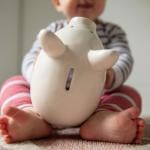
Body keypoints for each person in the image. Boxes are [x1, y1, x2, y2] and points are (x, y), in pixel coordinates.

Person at [0, 0, 145, 144]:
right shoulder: (54, 28)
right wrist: (37, 75)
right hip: (45, 104)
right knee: (13, 82)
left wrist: (112, 74)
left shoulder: (112, 31)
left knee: (129, 92)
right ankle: (31, 117)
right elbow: (31, 57)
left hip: (94, 103)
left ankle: (103, 121)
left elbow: (123, 57)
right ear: (57, 2)